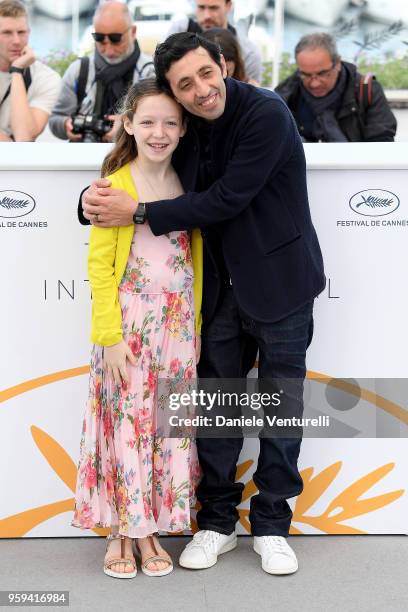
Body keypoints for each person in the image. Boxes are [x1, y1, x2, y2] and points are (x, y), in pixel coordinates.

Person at [80, 32, 325, 576]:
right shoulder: (185, 128)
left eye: (204, 74)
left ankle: (271, 525)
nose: (199, 90)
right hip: (214, 295)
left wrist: (136, 213)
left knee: (280, 409)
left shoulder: (266, 113)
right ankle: (215, 523)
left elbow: (227, 198)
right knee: (214, 411)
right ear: (173, 90)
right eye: (183, 85)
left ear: (222, 64)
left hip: (280, 286)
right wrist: (91, 202)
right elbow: (146, 167)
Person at [72, 77, 203, 579]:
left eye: (171, 121)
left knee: (167, 431)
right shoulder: (114, 186)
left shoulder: (191, 187)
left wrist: (191, 331)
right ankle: (122, 532)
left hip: (177, 331)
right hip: (127, 331)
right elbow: (100, 269)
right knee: (125, 425)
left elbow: (193, 263)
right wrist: (108, 337)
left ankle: (151, 527)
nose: (159, 131)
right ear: (128, 124)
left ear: (184, 128)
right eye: (147, 121)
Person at [49, 1, 154, 143]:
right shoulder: (78, 71)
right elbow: (56, 119)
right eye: (99, 39)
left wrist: (128, 126)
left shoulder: (150, 73)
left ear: (133, 32)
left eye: (115, 39)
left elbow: (158, 125)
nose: (108, 50)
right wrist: (65, 125)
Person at [275, 32, 397, 142]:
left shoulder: (367, 91)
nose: (314, 83)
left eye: (322, 74)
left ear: (337, 63)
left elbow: (381, 148)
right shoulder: (284, 96)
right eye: (306, 75)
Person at [0, 0, 61, 142]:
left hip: (18, 162)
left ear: (29, 32)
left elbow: (24, 137)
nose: (16, 41)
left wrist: (17, 71)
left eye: (21, 32)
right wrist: (8, 143)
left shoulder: (47, 78)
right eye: (7, 33)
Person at [166, 0, 262, 83]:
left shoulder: (249, 53)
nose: (206, 15)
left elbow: (251, 94)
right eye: (201, 7)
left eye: (214, 8)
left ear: (228, 6)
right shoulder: (180, 31)